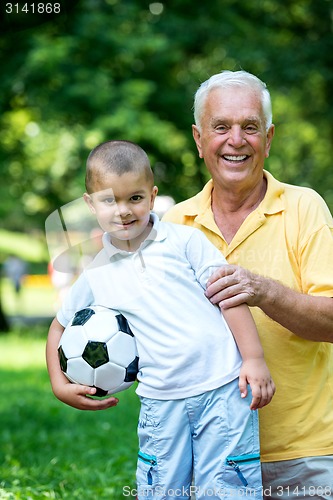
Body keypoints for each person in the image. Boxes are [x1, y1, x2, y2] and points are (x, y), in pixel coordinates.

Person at [46, 140, 275, 499]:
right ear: (91, 203)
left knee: (229, 489)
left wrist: (254, 359)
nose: (123, 211)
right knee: (162, 490)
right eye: (109, 200)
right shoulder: (95, 274)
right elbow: (59, 326)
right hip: (160, 401)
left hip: (224, 389)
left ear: (152, 196)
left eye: (134, 198)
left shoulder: (185, 242)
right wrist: (60, 384)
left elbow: (230, 299)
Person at [163, 70, 333, 499]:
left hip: (301, 456)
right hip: (202, 455)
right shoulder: (171, 225)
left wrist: (264, 291)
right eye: (221, 127)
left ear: (268, 138)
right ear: (199, 140)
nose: (235, 140)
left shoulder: (304, 208)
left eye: (249, 127)